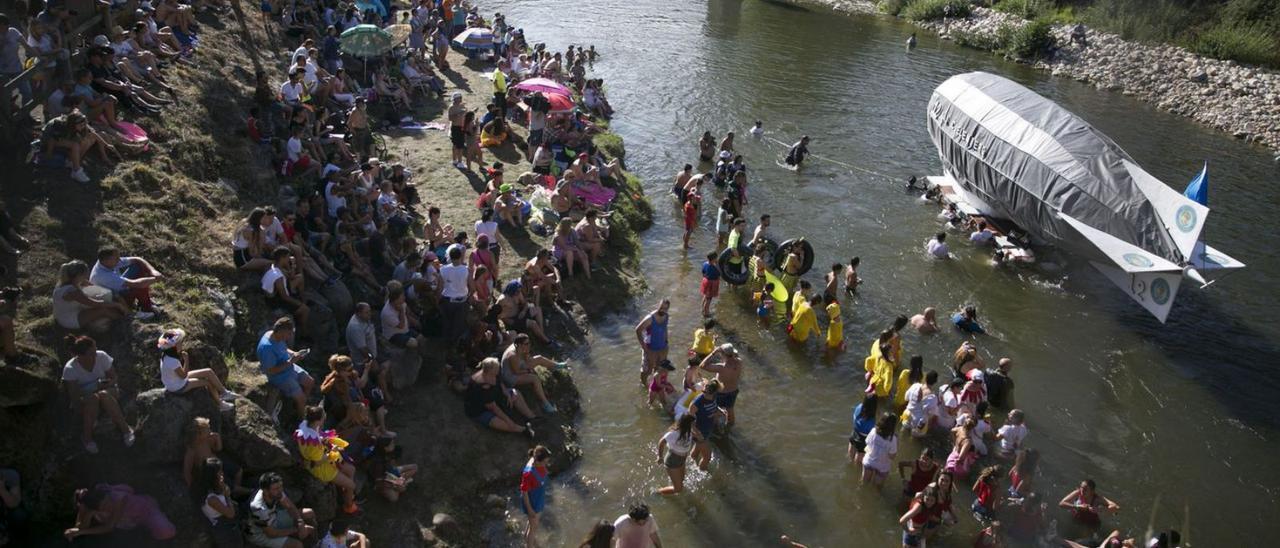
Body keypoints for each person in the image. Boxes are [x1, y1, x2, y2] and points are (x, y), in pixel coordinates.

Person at [62, 335, 133, 454]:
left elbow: (114, 377)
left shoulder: (101, 356)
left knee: (104, 394)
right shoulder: (70, 369)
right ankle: (87, 438)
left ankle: (126, 430)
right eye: (91, 353)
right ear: (80, 355)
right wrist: (93, 389)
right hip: (88, 399)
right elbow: (74, 397)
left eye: (95, 350)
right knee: (93, 398)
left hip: (108, 391)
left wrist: (108, 383)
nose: (95, 355)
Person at [294, 406, 359, 515]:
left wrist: (328, 442)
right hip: (321, 468)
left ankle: (346, 493)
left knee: (351, 469)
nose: (325, 418)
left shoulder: (310, 427)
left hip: (326, 460)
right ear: (319, 420)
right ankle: (349, 506)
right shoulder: (312, 441)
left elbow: (320, 441)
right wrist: (332, 452)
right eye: (323, 417)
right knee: (352, 485)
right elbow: (317, 462)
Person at [157, 328, 238, 411]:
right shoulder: (172, 361)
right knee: (207, 383)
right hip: (177, 386)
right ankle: (220, 404)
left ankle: (224, 392)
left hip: (174, 381)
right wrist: (186, 360)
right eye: (180, 342)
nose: (182, 344)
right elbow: (183, 376)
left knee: (208, 371)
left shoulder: (166, 355)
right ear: (174, 346)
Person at [64, 484, 175, 542]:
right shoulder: (87, 502)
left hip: (145, 511)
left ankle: (153, 528)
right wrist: (76, 530)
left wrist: (81, 532)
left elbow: (109, 527)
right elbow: (80, 525)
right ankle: (142, 532)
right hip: (129, 524)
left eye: (106, 503)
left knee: (166, 531)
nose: (106, 507)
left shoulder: (117, 498)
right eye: (102, 507)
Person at [256, 317, 313, 421]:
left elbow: (284, 348)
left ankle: (301, 406)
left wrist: (294, 354)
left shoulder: (276, 336)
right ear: (281, 331)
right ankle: (302, 421)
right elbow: (271, 370)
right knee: (302, 399)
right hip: (280, 376)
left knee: (309, 382)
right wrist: (291, 361)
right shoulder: (267, 348)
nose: (290, 336)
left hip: (289, 366)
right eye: (289, 333)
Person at [466, 358, 536, 438]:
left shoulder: (493, 372)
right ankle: (522, 430)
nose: (496, 374)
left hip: (495, 397)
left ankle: (531, 417)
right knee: (496, 422)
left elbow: (500, 381)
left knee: (515, 393)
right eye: (494, 374)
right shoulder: (482, 386)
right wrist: (508, 421)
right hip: (480, 410)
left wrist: (506, 393)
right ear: (487, 372)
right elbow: (493, 407)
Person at [52, 259, 129, 331]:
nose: (86, 277)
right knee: (103, 310)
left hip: (62, 314)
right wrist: (117, 305)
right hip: (69, 320)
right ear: (79, 275)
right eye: (85, 274)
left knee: (103, 304)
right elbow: (95, 304)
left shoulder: (64, 283)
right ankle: (125, 320)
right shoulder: (72, 292)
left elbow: (90, 285)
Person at [502, 334, 568, 415]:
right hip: (511, 376)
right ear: (519, 344)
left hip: (519, 367)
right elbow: (516, 371)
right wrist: (529, 370)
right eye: (526, 344)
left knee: (539, 358)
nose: (529, 345)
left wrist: (526, 354)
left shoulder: (522, 348)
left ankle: (556, 366)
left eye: (529, 343)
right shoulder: (512, 355)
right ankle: (545, 404)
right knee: (534, 379)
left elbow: (527, 359)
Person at [247, 472, 317, 548]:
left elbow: (290, 507)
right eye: (276, 488)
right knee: (297, 545)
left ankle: (315, 544)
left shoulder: (276, 493)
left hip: (274, 518)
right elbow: (271, 534)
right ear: (266, 491)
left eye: (281, 486)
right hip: (260, 534)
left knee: (309, 513)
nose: (280, 490)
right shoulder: (258, 508)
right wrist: (296, 529)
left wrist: (300, 522)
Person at [90, 248, 163, 319]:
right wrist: (155, 279)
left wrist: (152, 271)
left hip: (117, 290)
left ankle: (144, 302)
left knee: (138, 265)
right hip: (115, 300)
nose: (119, 260)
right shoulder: (103, 276)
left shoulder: (105, 263)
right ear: (106, 260)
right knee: (137, 287)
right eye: (116, 258)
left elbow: (137, 259)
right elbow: (137, 284)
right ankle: (146, 307)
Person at [198, 458, 243, 548]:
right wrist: (227, 496)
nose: (222, 473)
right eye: (219, 472)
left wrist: (223, 488)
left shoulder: (216, 487)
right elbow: (230, 514)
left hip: (230, 526)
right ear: (212, 476)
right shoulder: (211, 499)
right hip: (225, 531)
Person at [699, 343, 743, 426]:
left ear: (722, 354)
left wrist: (713, 352)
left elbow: (702, 365)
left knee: (715, 409)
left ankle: (715, 427)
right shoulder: (739, 362)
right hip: (733, 390)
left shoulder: (721, 367)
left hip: (720, 392)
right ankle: (729, 426)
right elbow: (735, 355)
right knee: (730, 409)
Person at [656, 414, 699, 495]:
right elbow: (661, 442)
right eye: (693, 423)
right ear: (687, 424)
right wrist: (660, 457)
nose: (695, 424)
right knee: (678, 489)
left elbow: (699, 438)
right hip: (673, 461)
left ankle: (674, 485)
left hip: (682, 460)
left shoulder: (690, 431)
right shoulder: (674, 433)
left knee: (682, 480)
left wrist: (697, 433)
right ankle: (658, 492)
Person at [688, 380, 726, 469]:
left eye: (707, 393)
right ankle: (701, 473)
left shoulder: (713, 397)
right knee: (707, 457)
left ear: (715, 392)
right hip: (699, 432)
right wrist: (697, 433)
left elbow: (714, 406)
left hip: (707, 429)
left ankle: (691, 464)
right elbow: (689, 419)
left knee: (696, 450)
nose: (704, 394)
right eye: (704, 391)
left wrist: (720, 411)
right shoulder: (697, 403)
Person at [520, 445, 552, 548]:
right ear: (538, 461)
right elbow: (524, 492)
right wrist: (530, 509)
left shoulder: (536, 460)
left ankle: (529, 538)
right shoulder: (529, 473)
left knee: (532, 525)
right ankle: (529, 543)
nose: (546, 464)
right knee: (533, 529)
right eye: (545, 462)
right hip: (533, 503)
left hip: (539, 498)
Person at [635, 299, 671, 386]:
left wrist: (666, 342)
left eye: (665, 308)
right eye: (661, 307)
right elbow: (638, 330)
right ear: (658, 306)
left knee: (659, 368)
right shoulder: (650, 318)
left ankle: (655, 386)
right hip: (650, 348)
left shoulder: (666, 316)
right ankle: (643, 384)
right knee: (648, 370)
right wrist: (644, 348)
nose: (663, 310)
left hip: (662, 347)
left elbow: (664, 328)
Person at [861, 413, 899, 486]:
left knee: (864, 483)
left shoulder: (873, 431)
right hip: (882, 466)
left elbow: (867, 443)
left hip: (869, 461)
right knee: (877, 488)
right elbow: (892, 456)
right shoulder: (893, 439)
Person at [903, 370, 939, 438]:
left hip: (907, 415)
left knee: (903, 433)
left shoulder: (915, 386)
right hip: (919, 423)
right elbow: (931, 414)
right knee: (914, 441)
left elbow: (906, 398)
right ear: (935, 382)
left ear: (925, 378)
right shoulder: (933, 398)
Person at [847, 394, 878, 467]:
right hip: (863, 439)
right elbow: (872, 432)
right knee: (859, 454)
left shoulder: (859, 407)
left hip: (854, 433)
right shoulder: (871, 420)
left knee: (851, 451)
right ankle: (855, 468)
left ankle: (850, 462)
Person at [699, 251, 720, 317]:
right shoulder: (714, 268)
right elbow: (719, 274)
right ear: (714, 259)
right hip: (711, 283)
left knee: (705, 296)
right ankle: (706, 312)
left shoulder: (705, 264)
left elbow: (703, 272)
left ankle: (702, 309)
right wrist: (717, 265)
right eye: (716, 258)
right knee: (709, 299)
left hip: (705, 281)